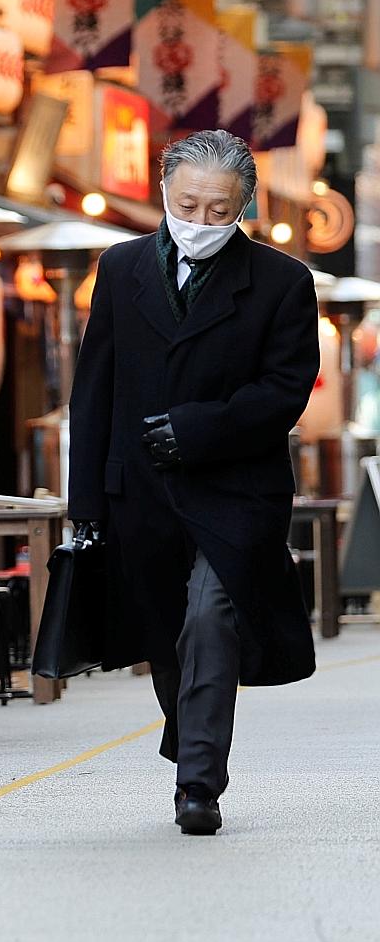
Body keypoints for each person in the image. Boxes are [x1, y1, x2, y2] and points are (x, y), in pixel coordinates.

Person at [68, 129, 319, 836]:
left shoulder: (283, 282)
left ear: (245, 209)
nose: (202, 222)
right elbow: (95, 390)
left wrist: (199, 427)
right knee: (165, 631)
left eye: (220, 210)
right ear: (164, 195)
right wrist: (84, 502)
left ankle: (198, 784)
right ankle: (192, 738)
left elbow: (285, 389)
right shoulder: (120, 268)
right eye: (189, 205)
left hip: (237, 491)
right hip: (139, 491)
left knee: (211, 616)